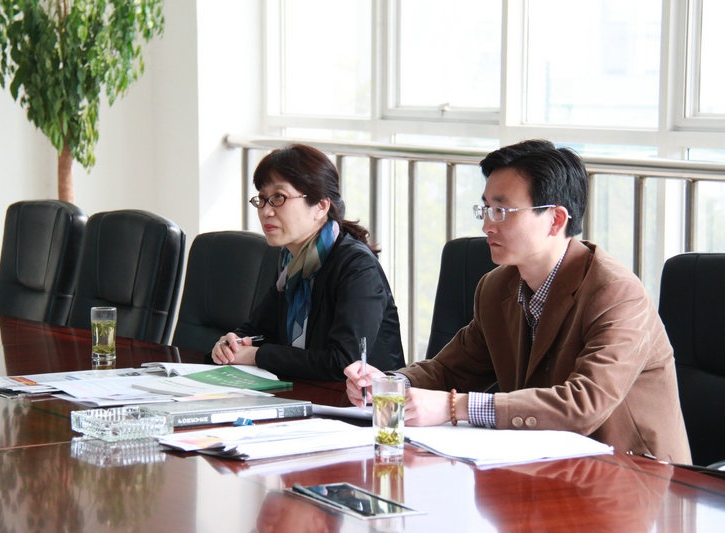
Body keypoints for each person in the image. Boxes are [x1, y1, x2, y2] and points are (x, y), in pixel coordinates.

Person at [345, 139, 691, 463]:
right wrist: (389, 384)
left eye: (502, 210)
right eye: (486, 209)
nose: (487, 226)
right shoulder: (497, 287)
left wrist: (455, 406)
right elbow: (451, 369)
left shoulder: (617, 293)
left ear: (556, 219)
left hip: (633, 476)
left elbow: (583, 404)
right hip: (543, 465)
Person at [212, 144, 404, 381]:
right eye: (262, 199)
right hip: (305, 392)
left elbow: (344, 362)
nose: (266, 211)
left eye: (278, 198)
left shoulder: (357, 267)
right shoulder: (291, 261)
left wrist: (257, 355)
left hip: (365, 400)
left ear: (321, 206)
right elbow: (259, 329)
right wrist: (231, 342)